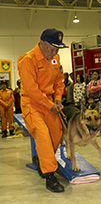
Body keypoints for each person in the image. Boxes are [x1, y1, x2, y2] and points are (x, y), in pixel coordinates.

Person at [18, 28, 68, 193]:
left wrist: (58, 98)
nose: (54, 53)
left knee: (55, 134)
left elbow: (60, 80)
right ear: (41, 44)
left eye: (57, 50)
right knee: (42, 135)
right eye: (51, 49)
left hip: (49, 102)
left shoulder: (55, 58)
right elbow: (31, 89)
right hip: (32, 103)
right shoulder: (27, 60)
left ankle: (41, 158)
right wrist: (49, 105)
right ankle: (49, 175)